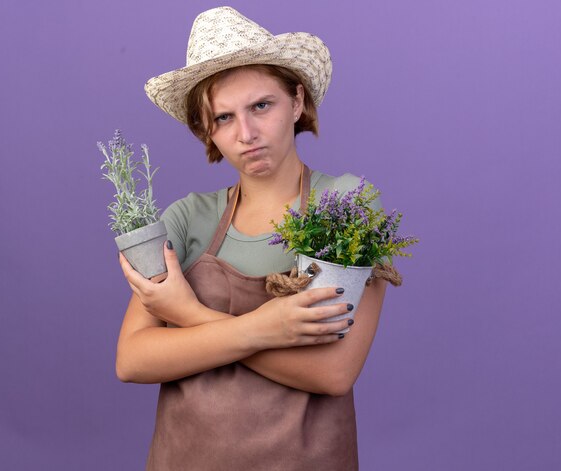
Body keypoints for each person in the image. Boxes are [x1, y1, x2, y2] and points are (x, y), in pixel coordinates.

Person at [116, 7, 387, 470]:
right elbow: (133, 359)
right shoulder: (186, 217)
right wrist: (264, 329)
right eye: (223, 118)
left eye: (262, 105)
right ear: (208, 131)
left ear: (297, 101)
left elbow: (333, 372)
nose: (246, 134)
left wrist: (187, 315)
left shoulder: (344, 204)